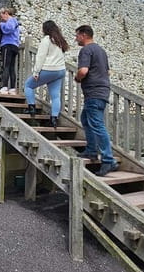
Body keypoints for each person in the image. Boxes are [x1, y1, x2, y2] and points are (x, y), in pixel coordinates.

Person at [73, 25, 117, 177]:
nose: (75, 38)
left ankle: (108, 160)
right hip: (102, 91)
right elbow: (108, 71)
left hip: (93, 92)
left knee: (97, 125)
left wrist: (77, 77)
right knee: (85, 118)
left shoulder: (86, 50)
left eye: (77, 35)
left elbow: (83, 70)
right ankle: (91, 151)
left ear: (84, 35)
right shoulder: (101, 51)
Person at [24, 20, 69, 128]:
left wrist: (36, 72)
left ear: (45, 29)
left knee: (28, 85)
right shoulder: (59, 40)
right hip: (60, 70)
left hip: (49, 69)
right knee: (55, 95)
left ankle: (31, 108)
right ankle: (54, 119)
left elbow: (41, 56)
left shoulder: (47, 39)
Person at [0, 7, 20, 95]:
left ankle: (4, 88)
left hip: (8, 45)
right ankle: (12, 89)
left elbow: (9, 28)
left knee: (6, 66)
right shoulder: (15, 21)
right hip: (14, 46)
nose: (2, 19)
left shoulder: (11, 20)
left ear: (6, 13)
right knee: (11, 68)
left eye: (2, 16)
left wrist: (0, 25)